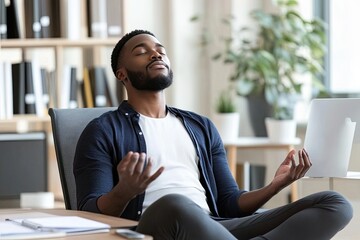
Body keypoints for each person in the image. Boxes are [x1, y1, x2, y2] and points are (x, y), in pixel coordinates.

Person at [73, 29, 353, 240]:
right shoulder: (102, 130)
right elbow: (89, 213)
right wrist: (125, 191)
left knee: (334, 202)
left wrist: (274, 187)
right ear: (122, 75)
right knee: (174, 204)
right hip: (154, 227)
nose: (156, 53)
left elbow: (230, 203)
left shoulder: (200, 126)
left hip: (214, 225)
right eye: (141, 51)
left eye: (160, 49)